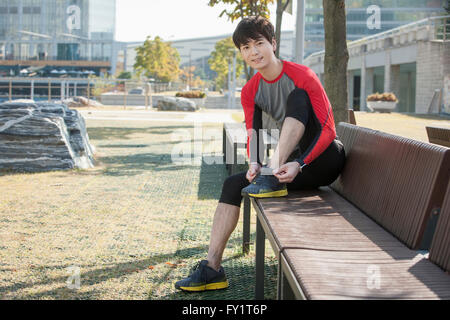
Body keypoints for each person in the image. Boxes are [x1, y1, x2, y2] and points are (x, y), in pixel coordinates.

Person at [174, 16, 346, 292]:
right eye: (245, 47)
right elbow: (252, 132)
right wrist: (254, 163)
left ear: (273, 44)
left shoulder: (302, 75)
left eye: (259, 43)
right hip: (285, 167)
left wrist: (299, 163)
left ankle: (272, 170)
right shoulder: (251, 90)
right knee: (232, 184)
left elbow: (328, 129)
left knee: (297, 98)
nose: (253, 52)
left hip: (323, 158)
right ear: (241, 53)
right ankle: (212, 269)